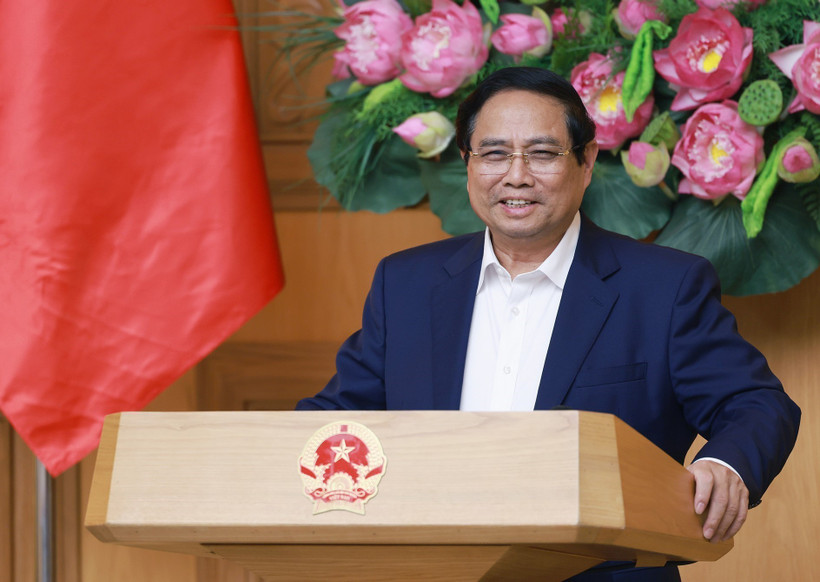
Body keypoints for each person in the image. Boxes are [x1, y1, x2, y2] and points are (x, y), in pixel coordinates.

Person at [296, 67, 801, 581]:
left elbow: (755, 403)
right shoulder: (405, 284)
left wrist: (727, 465)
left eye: (541, 153)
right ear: (467, 165)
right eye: (493, 154)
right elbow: (336, 421)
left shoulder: (665, 288)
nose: (516, 175)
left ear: (586, 162)